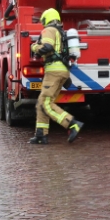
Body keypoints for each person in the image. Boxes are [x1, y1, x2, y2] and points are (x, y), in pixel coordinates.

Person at [29, 8, 83, 145]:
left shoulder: (49, 30)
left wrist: (34, 47)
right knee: (42, 103)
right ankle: (41, 135)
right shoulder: (60, 32)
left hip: (54, 71)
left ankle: (71, 123)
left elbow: (47, 47)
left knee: (45, 103)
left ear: (46, 18)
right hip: (61, 71)